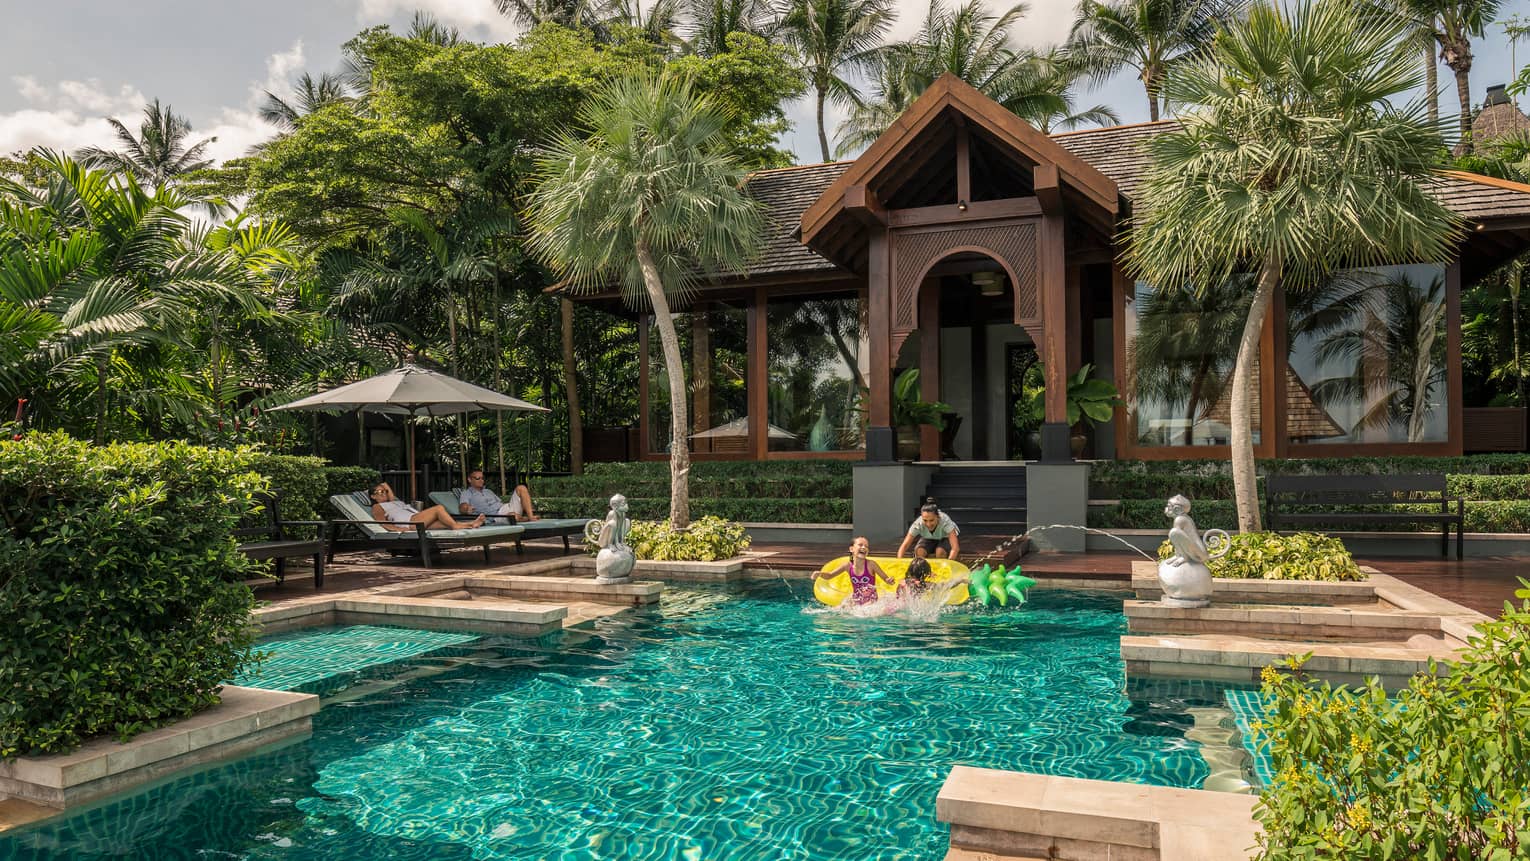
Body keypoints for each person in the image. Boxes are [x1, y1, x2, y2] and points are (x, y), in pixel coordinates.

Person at [369, 481, 484, 531]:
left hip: (416, 519)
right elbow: (382, 522)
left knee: (444, 524)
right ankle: (455, 526)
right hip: (411, 522)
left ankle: (471, 524)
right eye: (380, 492)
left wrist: (385, 485)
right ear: (373, 496)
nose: (384, 492)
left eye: (385, 491)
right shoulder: (377, 507)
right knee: (438, 508)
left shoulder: (394, 502)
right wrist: (399, 529)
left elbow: (391, 496)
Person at [816, 536, 892, 606]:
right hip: (856, 602)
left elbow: (885, 579)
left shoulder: (871, 564)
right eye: (860, 545)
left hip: (871, 604)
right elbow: (830, 575)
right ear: (851, 549)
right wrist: (819, 574)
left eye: (866, 546)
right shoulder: (847, 566)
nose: (864, 547)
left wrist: (889, 580)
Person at [457, 469, 539, 522]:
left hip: (505, 508)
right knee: (513, 516)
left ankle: (530, 516)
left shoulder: (488, 491)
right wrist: (467, 508)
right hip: (496, 516)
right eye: (478, 478)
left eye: (482, 478)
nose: (481, 480)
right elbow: (462, 507)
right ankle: (526, 518)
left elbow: (501, 503)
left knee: (521, 487)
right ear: (469, 479)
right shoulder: (467, 493)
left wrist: (521, 504)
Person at [897, 501, 961, 563]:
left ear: (938, 517)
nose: (928, 524)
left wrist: (950, 564)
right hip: (929, 537)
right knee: (919, 551)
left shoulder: (945, 521)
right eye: (925, 520)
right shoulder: (918, 524)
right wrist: (899, 562)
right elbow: (905, 545)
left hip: (945, 537)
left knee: (940, 552)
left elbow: (955, 548)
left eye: (931, 520)